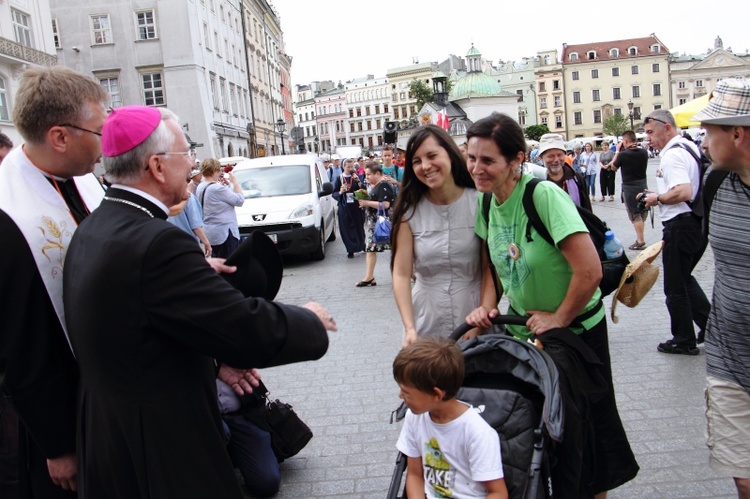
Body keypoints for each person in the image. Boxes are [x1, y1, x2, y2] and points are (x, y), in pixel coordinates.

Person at [62, 105, 336, 499]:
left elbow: (139, 327)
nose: (192, 162)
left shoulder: (96, 225)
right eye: (185, 153)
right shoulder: (158, 241)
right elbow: (240, 328)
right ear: (157, 166)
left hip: (111, 437)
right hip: (159, 444)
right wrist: (308, 320)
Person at [465, 112, 638, 498]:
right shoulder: (485, 204)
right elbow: (492, 270)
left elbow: (589, 271)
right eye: (471, 158)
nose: (477, 168)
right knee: (541, 437)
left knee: (586, 443)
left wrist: (559, 317)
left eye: (488, 160)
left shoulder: (542, 195)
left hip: (576, 335)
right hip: (526, 338)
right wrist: (485, 309)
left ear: (515, 161)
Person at [0, 66, 108, 498]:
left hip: (105, 390)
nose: (107, 141)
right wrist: (59, 443)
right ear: (60, 137)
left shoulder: (83, 179)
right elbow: (21, 342)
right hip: (62, 408)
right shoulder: (10, 216)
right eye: (99, 130)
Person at [692, 77, 750, 499]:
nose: (703, 139)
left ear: (737, 133)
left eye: (710, 130)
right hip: (729, 357)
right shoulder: (715, 183)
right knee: (744, 477)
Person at [390, 125, 486, 346]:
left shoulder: (481, 202)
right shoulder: (409, 211)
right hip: (426, 317)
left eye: (432, 155)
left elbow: (491, 269)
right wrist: (409, 327)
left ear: (450, 154)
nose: (425, 166)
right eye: (416, 161)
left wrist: (482, 318)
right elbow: (401, 274)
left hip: (474, 315)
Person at [394, 337, 507, 499]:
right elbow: (414, 475)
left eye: (406, 392)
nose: (400, 395)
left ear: (436, 394)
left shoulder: (477, 433)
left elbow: (498, 493)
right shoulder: (414, 417)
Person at [641, 109, 710, 356]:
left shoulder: (672, 155)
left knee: (674, 287)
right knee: (685, 279)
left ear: (666, 127)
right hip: (695, 223)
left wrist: (657, 198)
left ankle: (683, 339)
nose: (647, 138)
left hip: (680, 225)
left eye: (650, 132)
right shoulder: (689, 148)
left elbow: (683, 191)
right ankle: (710, 328)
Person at [355, 161, 395, 287]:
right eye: (366, 174)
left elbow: (385, 205)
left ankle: (409, 273)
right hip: (376, 223)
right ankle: (369, 277)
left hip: (383, 224)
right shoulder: (377, 185)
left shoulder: (384, 185)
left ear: (377, 173)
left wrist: (367, 203)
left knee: (396, 249)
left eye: (368, 174)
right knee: (370, 249)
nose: (366, 177)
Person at [196, 157, 245, 258]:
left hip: (211, 232)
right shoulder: (217, 188)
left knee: (218, 263)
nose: (220, 173)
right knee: (230, 264)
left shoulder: (201, 187)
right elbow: (239, 200)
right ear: (214, 171)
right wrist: (235, 182)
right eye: (219, 170)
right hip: (225, 232)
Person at [612, 131, 650, 250]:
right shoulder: (644, 152)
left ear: (626, 141)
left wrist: (618, 151)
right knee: (642, 212)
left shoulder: (623, 154)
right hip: (643, 185)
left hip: (630, 187)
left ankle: (640, 241)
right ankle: (640, 238)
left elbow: (613, 167)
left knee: (635, 214)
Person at [538, 133, 592, 211]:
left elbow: (587, 209)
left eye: (559, 155)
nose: (556, 160)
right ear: (541, 158)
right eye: (551, 156)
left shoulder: (576, 178)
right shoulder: (537, 180)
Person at [332, 157, 365, 257]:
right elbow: (334, 193)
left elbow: (363, 189)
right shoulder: (339, 179)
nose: (350, 169)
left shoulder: (356, 177)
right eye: (348, 167)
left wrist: (358, 181)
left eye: (352, 167)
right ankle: (350, 249)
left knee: (358, 225)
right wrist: (341, 192)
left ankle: (362, 245)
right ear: (344, 167)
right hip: (344, 206)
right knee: (346, 228)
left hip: (356, 206)